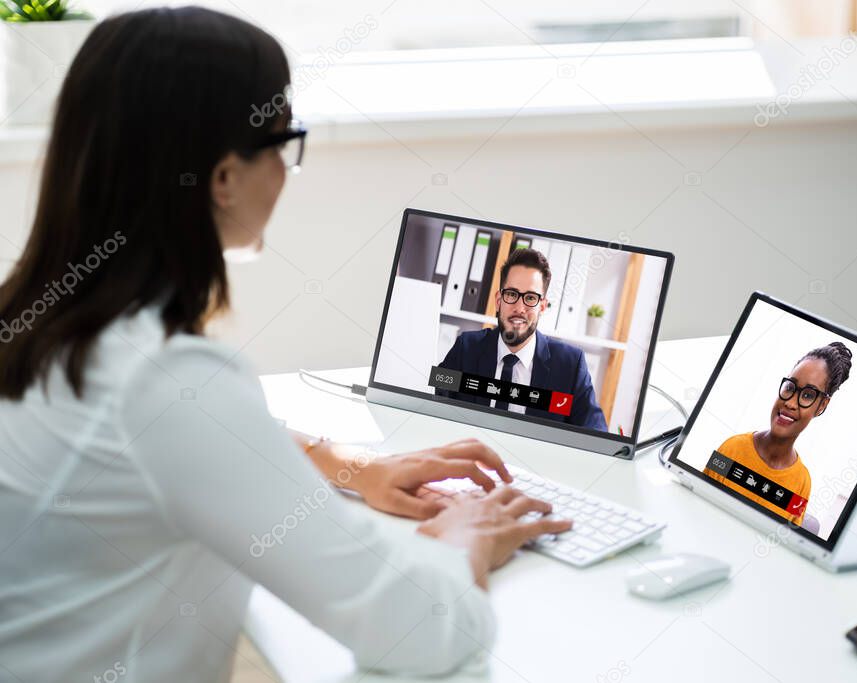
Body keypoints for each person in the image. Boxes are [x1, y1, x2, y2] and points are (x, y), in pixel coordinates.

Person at [0, 8, 570, 681]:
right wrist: (462, 538)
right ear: (221, 178)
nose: (285, 168)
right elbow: (418, 631)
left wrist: (350, 465)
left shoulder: (40, 320)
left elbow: (187, 444)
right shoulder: (165, 379)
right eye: (282, 141)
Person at [437, 248, 608, 431]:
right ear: (498, 300)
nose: (519, 308)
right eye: (511, 294)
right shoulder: (467, 348)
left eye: (530, 298)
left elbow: (596, 434)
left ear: (542, 306)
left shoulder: (570, 366)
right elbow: (432, 400)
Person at [704, 342, 853, 527]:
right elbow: (699, 505)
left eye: (807, 395)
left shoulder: (801, 483)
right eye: (790, 388)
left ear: (822, 405)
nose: (790, 402)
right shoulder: (732, 448)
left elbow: (782, 541)